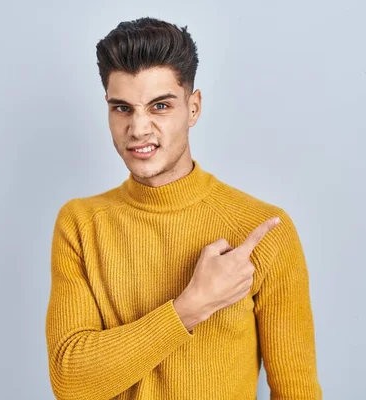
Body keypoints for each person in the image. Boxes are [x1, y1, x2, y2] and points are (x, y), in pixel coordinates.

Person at [45, 16, 322, 400]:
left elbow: (296, 390)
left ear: (193, 109)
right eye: (122, 108)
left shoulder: (261, 230)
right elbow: (71, 382)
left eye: (160, 106)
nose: (139, 129)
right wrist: (191, 306)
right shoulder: (80, 224)